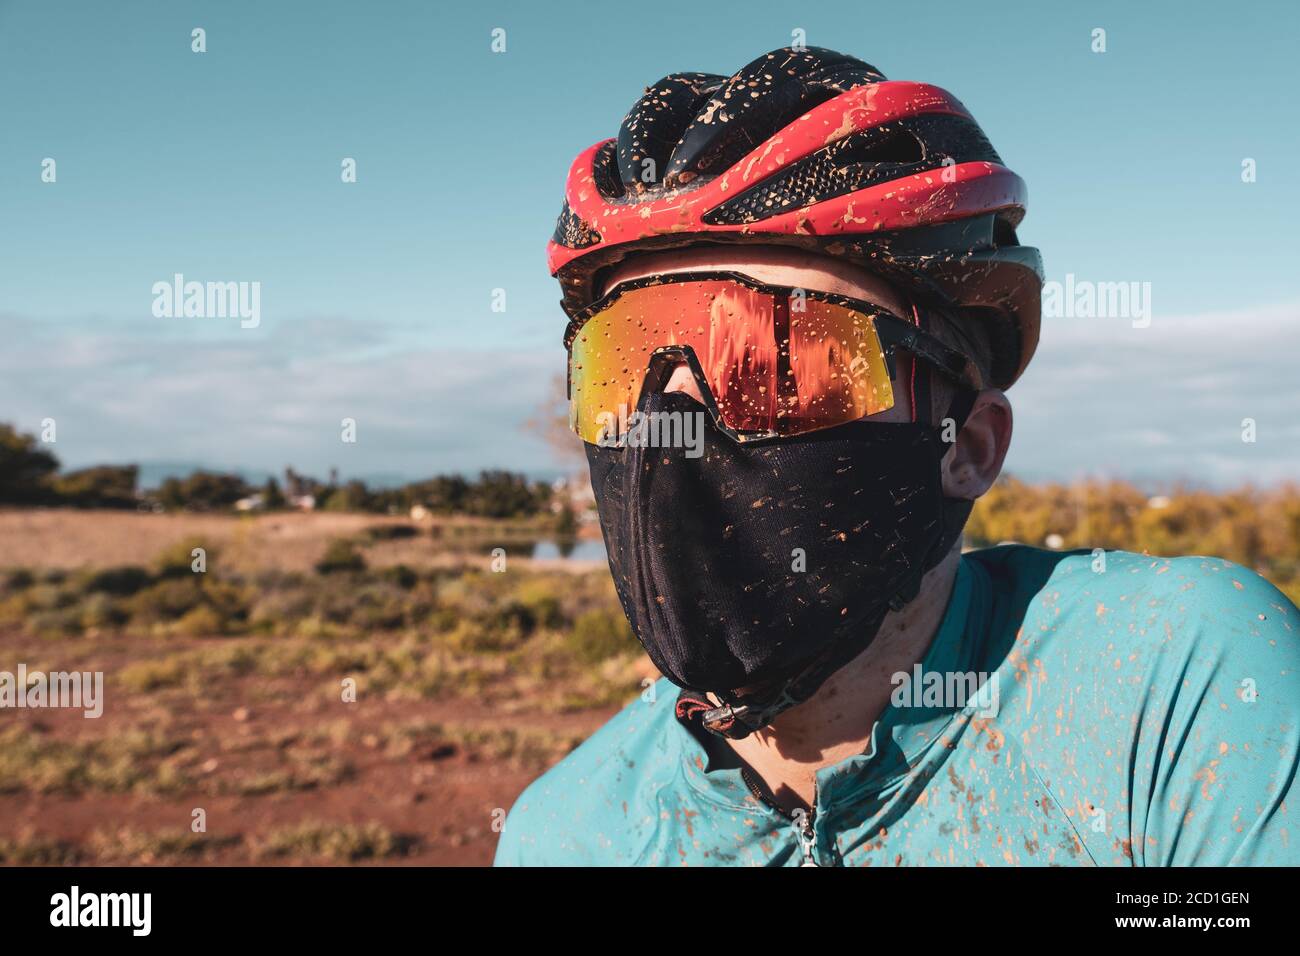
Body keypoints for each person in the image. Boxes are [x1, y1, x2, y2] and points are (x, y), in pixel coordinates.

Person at [494, 47, 1300, 866]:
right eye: (619, 365)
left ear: (969, 449)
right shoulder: (562, 836)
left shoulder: (1171, 689)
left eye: (782, 360)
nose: (674, 421)